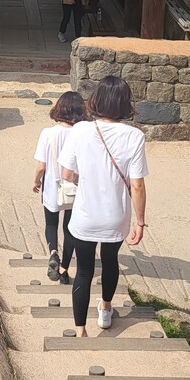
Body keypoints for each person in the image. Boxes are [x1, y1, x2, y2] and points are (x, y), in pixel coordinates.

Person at [58, 76, 148, 336]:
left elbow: (66, 173)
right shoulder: (135, 136)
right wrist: (140, 222)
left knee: (84, 269)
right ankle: (106, 308)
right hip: (116, 216)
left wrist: (82, 179)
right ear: (125, 104)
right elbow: (137, 185)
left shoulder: (81, 130)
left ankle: (79, 330)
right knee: (110, 261)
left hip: (85, 214)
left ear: (95, 99)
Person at [33, 91, 87, 285]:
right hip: (75, 186)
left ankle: (53, 253)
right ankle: (64, 268)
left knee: (51, 223)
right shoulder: (83, 133)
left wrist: (37, 181)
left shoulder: (48, 133)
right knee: (69, 227)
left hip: (53, 186)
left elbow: (41, 166)